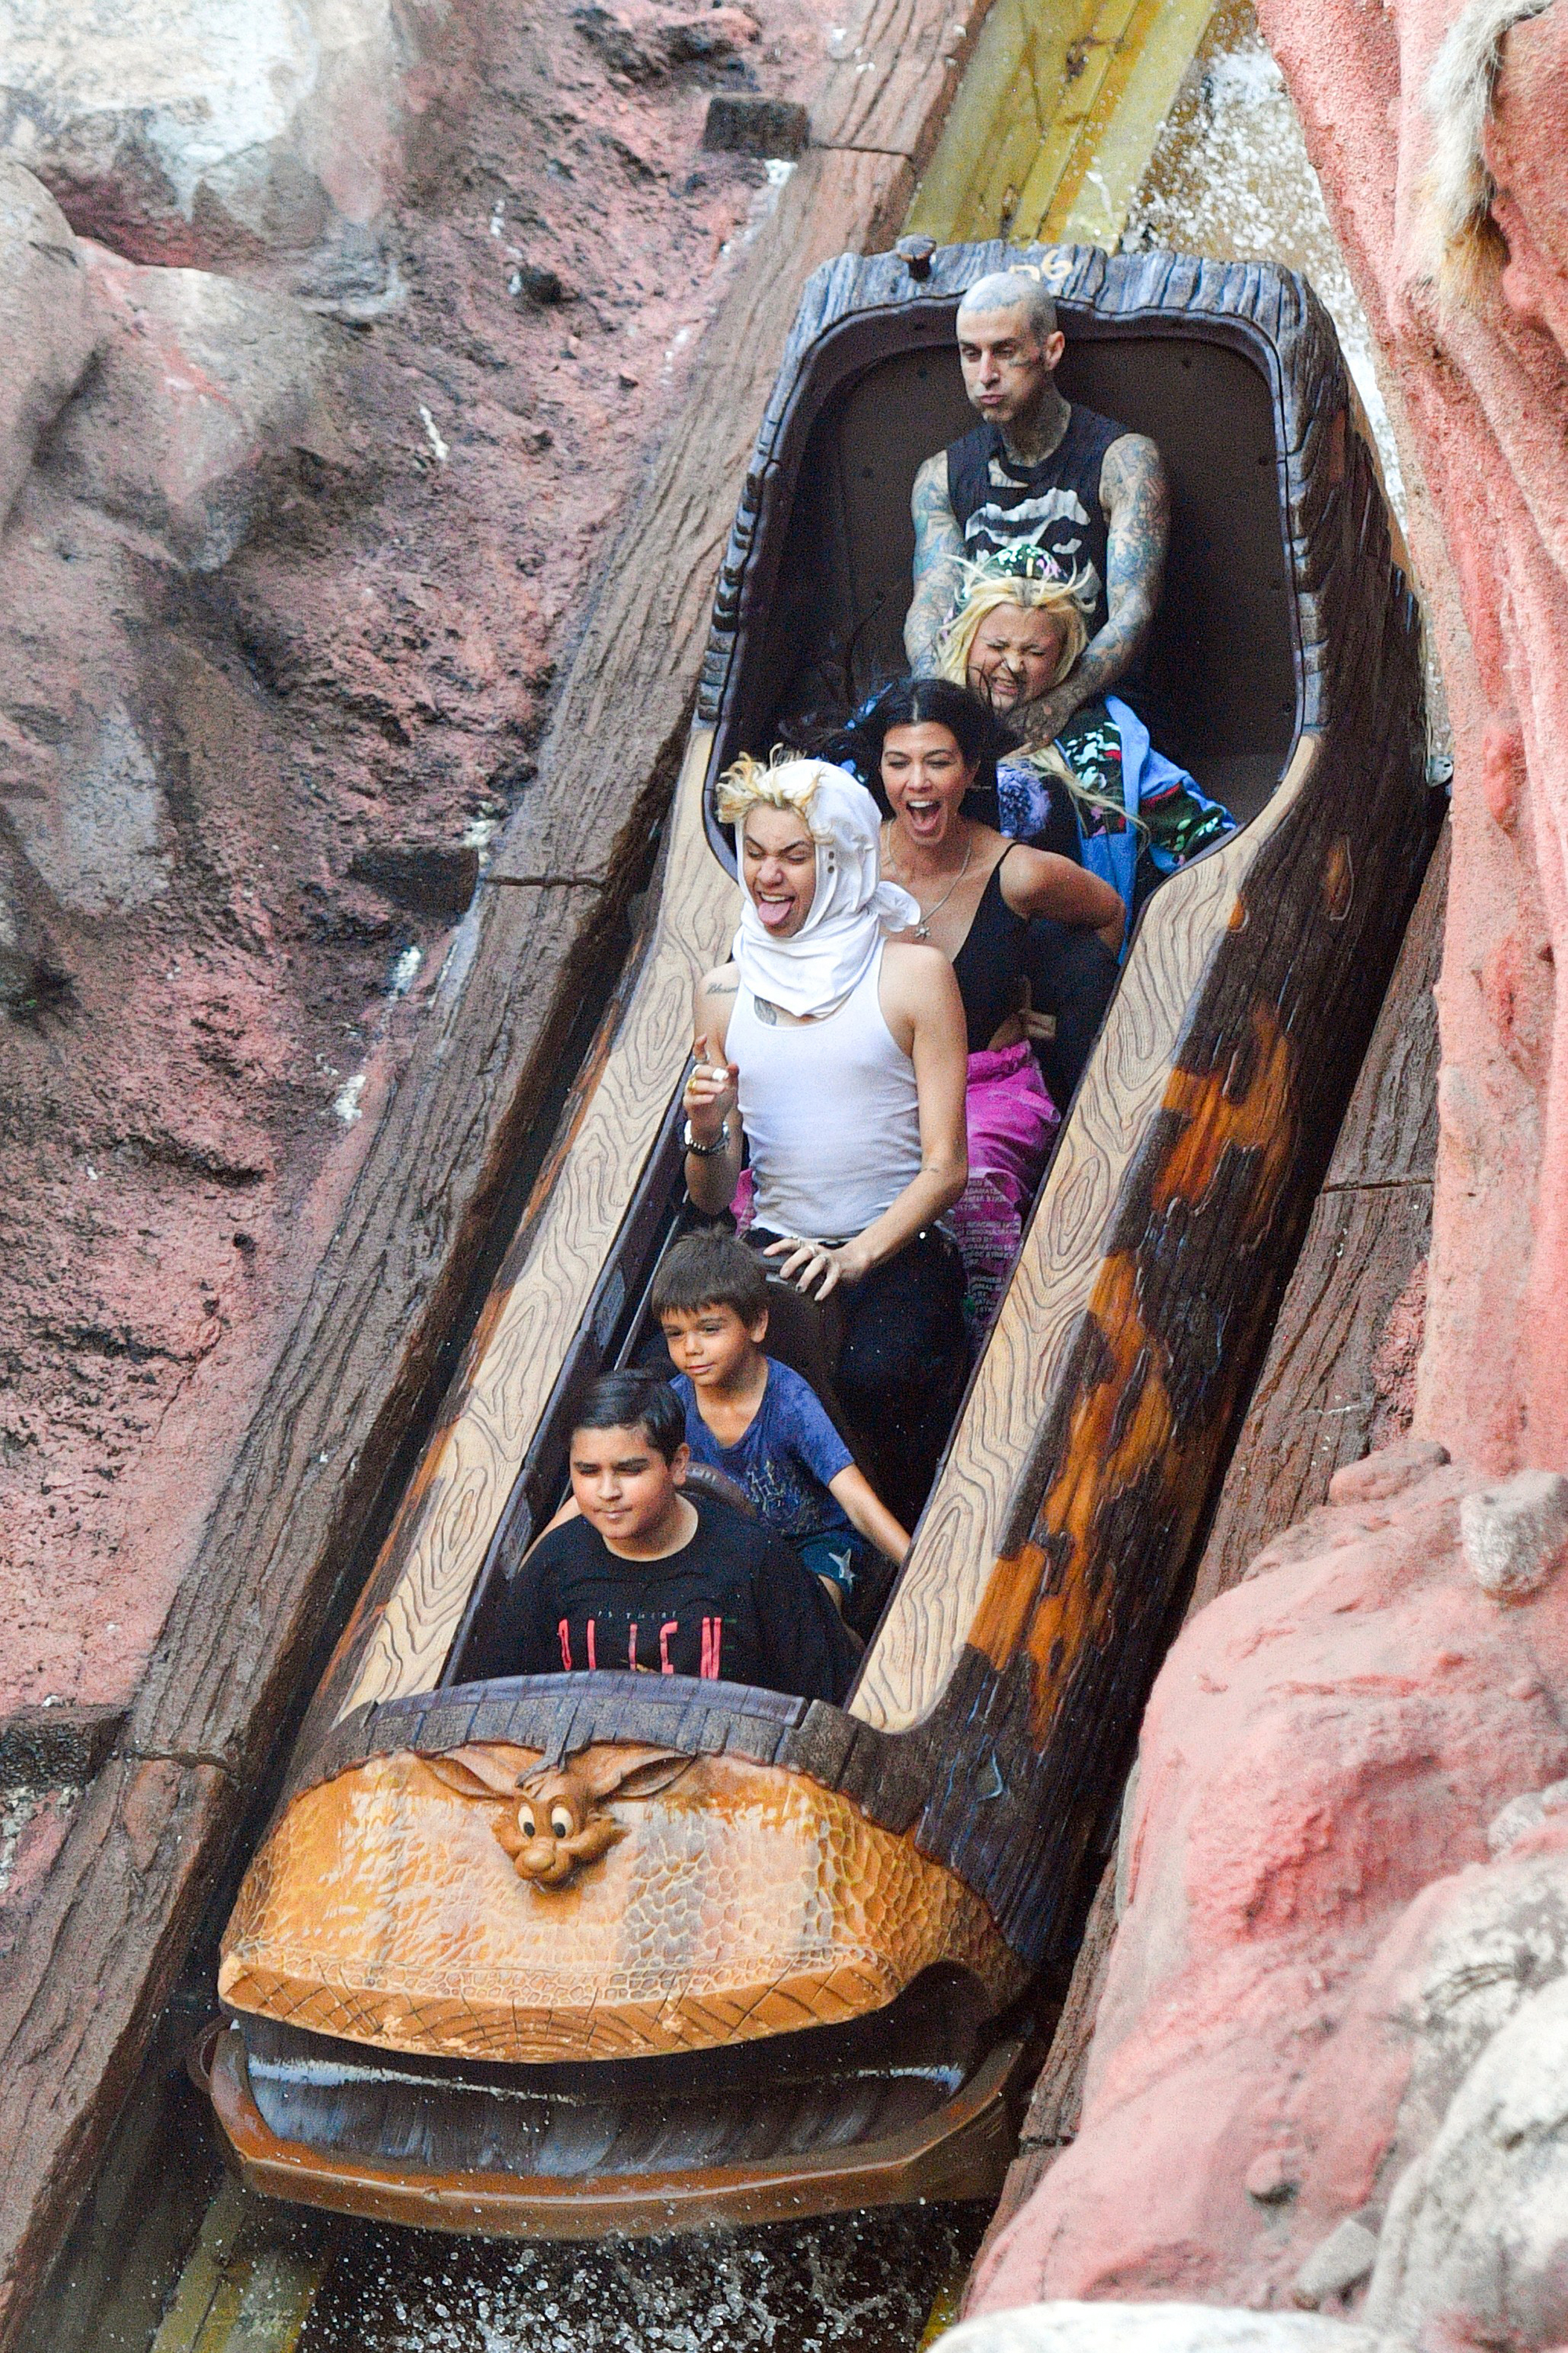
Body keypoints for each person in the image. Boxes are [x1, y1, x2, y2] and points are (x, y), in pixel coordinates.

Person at [681, 754, 968, 1528]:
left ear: (838, 862)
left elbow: (947, 1167)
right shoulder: (722, 992)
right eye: (754, 853)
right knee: (701, 1380)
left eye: (793, 857)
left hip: (895, 1243)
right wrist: (706, 1128)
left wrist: (853, 1256)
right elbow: (710, 1196)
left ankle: (907, 1532)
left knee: (876, 1374)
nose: (766, 876)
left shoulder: (912, 974)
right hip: (779, 1246)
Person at [827, 679, 1122, 1334]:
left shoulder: (1018, 872)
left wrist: (1064, 1002)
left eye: (938, 761)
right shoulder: (845, 862)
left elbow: (1107, 912)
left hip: (983, 1087)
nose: (918, 782)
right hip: (877, 1083)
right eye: (899, 762)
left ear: (971, 770)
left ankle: (989, 1335)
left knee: (972, 1185)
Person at [903, 266, 1168, 754]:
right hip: (972, 699)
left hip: (1090, 700)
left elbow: (1134, 611)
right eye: (970, 354)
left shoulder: (1124, 461)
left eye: (1004, 351)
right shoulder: (940, 476)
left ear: (1051, 351)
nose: (985, 375)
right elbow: (931, 602)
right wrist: (939, 699)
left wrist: (1058, 703)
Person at [498, 1370, 861, 1701]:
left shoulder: (756, 1560)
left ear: (678, 1465)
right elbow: (503, 1705)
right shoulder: (552, 1565)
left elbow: (825, 1704)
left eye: (629, 1470)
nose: (607, 1491)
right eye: (588, 1472)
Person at [935, 550, 1238, 938]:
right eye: (997, 646)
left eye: (1034, 652)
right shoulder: (915, 718)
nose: (1012, 664)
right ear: (966, 637)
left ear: (1062, 656)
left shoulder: (1103, 734)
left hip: (1072, 961)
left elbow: (1206, 840)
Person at [651, 1231, 909, 1627]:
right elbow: (617, 1466)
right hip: (735, 1551)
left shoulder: (790, 1402)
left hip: (816, 1543)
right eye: (675, 1334)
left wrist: (922, 1569)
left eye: (709, 1329)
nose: (691, 1348)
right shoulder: (673, 1404)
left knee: (808, 1620)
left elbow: (857, 1501)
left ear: (755, 1324)